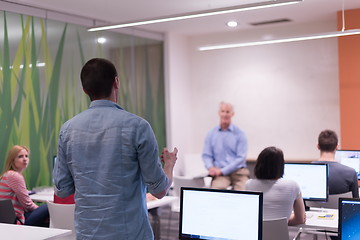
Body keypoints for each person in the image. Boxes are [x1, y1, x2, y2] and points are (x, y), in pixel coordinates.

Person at [53, 58, 177, 240]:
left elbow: (62, 190)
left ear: (84, 90)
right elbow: (159, 191)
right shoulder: (138, 127)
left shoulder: (68, 130)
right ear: (116, 82)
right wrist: (169, 165)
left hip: (88, 235)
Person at [246, 146, 306, 226]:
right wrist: (281, 222)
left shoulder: (249, 185)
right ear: (281, 166)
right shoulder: (293, 186)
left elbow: (249, 217)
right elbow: (300, 219)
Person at [202, 101, 249, 190]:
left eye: (227, 112)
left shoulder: (240, 133)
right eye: (223, 111)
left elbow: (241, 158)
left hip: (239, 172)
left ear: (232, 114)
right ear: (219, 113)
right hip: (219, 174)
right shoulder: (211, 134)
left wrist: (222, 171)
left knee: (243, 193)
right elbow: (206, 155)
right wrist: (211, 167)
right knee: (216, 192)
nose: (225, 114)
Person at [0, 145, 49, 226]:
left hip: (8, 219)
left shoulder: (7, 174)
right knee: (49, 206)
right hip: (16, 220)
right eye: (20, 156)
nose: (25, 159)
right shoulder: (14, 176)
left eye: (26, 156)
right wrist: (42, 212)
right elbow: (27, 204)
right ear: (12, 160)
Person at [313, 129, 359, 198]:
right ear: (337, 146)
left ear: (318, 146)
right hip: (340, 209)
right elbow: (356, 201)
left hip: (313, 208)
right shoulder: (351, 173)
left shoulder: (307, 171)